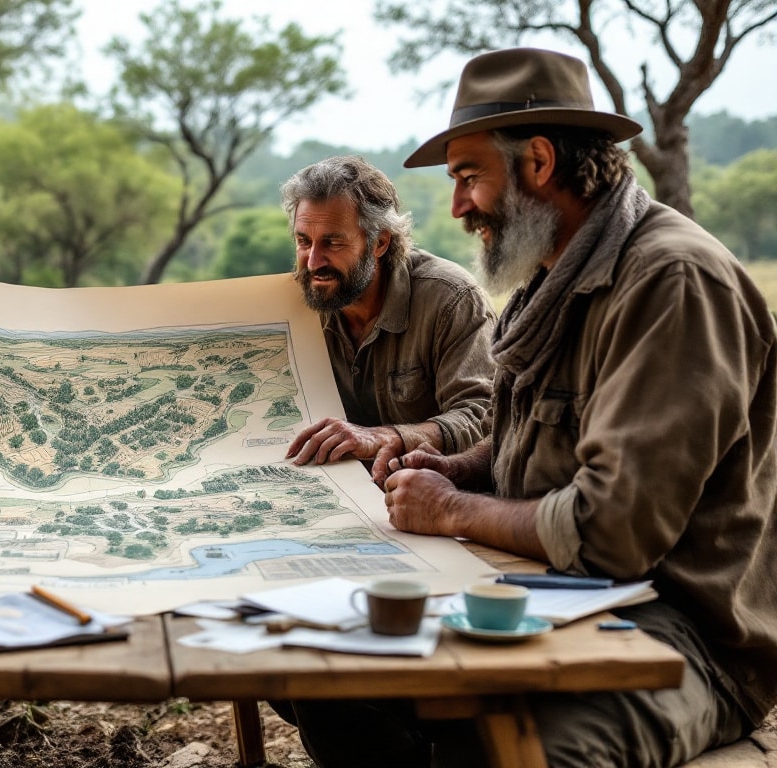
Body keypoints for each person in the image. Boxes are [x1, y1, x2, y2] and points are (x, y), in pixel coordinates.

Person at [291, 48, 777, 768]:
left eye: (467, 177)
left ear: (540, 162)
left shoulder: (670, 281)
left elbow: (613, 531)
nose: (456, 207)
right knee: (325, 688)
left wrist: (449, 510)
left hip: (677, 634)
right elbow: (539, 441)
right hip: (552, 595)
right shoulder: (552, 275)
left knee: (508, 753)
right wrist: (458, 469)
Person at [280, 156, 495, 485]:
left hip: (433, 494)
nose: (313, 262)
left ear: (379, 242)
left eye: (333, 243)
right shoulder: (285, 305)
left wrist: (388, 437)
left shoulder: (452, 300)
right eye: (303, 241)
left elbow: (483, 415)